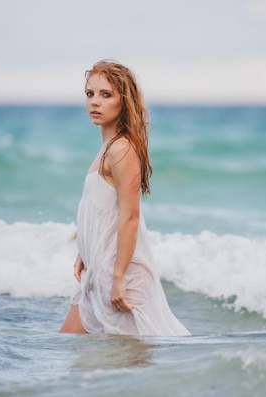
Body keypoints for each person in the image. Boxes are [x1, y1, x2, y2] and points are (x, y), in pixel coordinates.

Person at [59, 60, 190, 336]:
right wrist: (85, 249)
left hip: (121, 275)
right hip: (100, 268)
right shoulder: (107, 147)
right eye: (90, 94)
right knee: (98, 364)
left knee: (131, 360)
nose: (95, 102)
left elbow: (130, 217)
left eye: (106, 95)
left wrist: (118, 278)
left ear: (124, 101)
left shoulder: (121, 150)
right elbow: (104, 210)